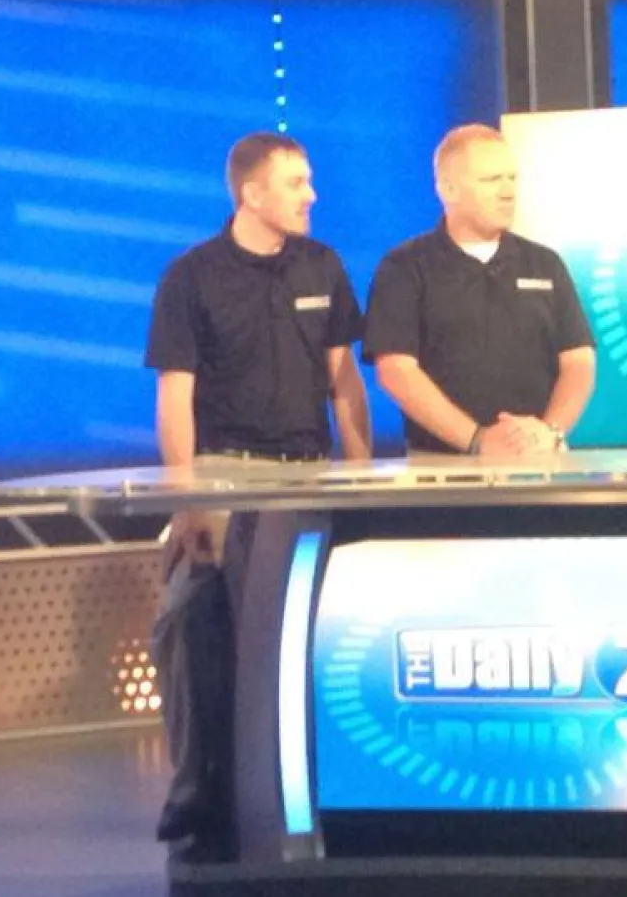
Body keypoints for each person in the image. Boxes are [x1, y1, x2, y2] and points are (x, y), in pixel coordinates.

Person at [142, 131, 372, 862]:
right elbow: (175, 398)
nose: (312, 195)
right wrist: (187, 502)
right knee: (190, 613)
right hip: (222, 470)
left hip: (309, 470)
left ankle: (321, 790)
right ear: (252, 193)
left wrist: (361, 470)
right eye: (297, 182)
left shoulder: (324, 265)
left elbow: (344, 381)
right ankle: (195, 788)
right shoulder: (192, 276)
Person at [364, 123, 595, 456]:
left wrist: (550, 432)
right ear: (448, 189)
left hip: (540, 458)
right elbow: (396, 370)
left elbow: (578, 361)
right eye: (491, 180)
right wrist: (478, 439)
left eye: (512, 178)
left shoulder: (545, 263)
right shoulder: (404, 267)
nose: (507, 192)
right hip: (441, 467)